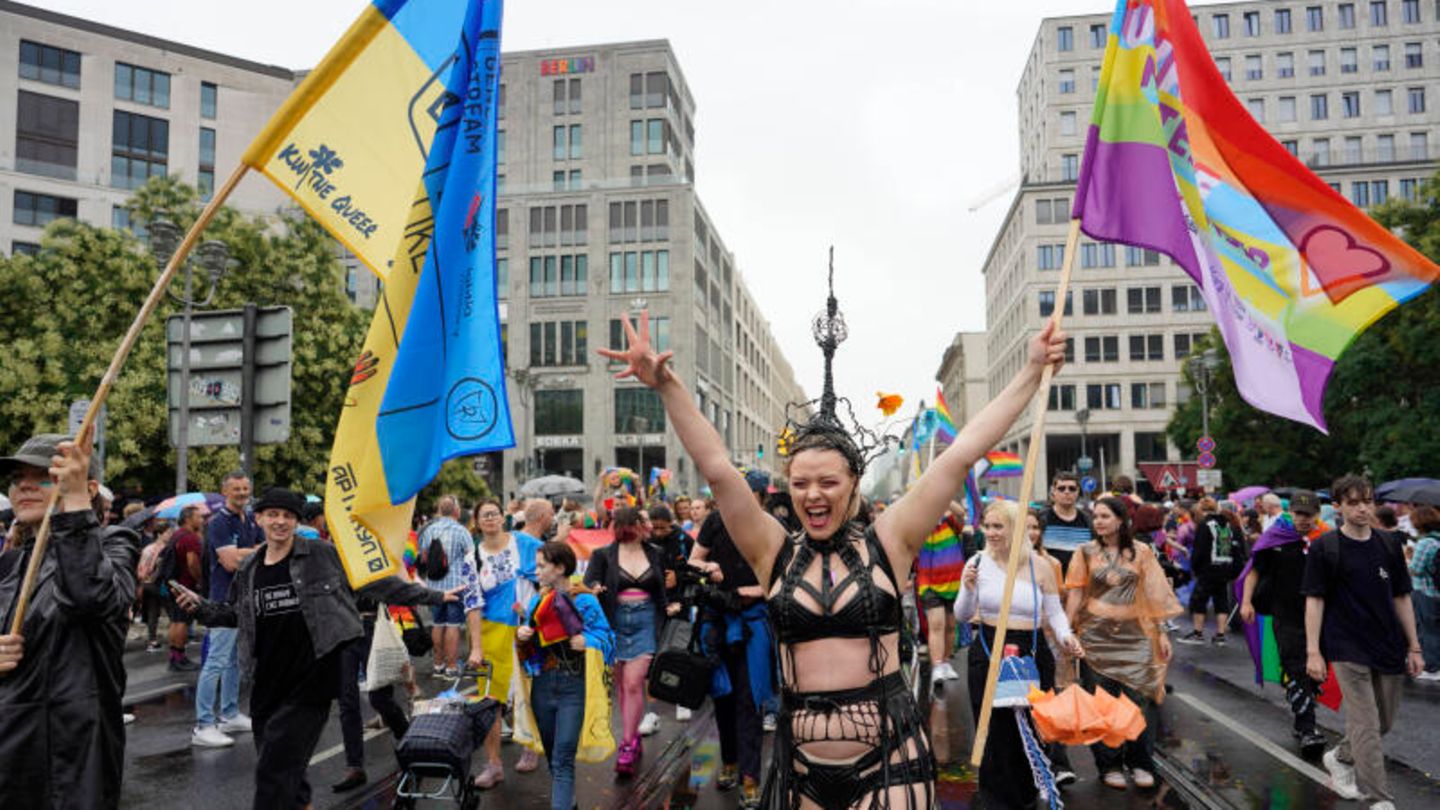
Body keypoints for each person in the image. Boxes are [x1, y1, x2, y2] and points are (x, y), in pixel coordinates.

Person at [599, 305, 1068, 808]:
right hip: (800, 770)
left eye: (828, 482)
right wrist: (667, 385)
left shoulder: (891, 541)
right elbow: (717, 468)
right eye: (800, 483)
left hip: (891, 763)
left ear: (854, 484)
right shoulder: (772, 550)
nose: (813, 494)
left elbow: (960, 454)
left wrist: (1031, 371)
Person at [175, 487, 462, 809]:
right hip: (267, 683)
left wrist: (436, 596)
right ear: (259, 519)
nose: (280, 521)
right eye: (273, 515)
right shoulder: (250, 567)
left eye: (288, 516)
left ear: (297, 522)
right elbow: (235, 614)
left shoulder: (321, 555)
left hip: (311, 681)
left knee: (273, 772)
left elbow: (374, 583)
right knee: (287, 772)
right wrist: (200, 608)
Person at [0, 432, 137, 808]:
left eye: (44, 477)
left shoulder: (114, 545)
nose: (24, 486)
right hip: (11, 760)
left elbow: (91, 598)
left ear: (88, 488)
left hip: (72, 763)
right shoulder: (9, 565)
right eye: (17, 478)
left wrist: (74, 503)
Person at [1304, 475, 1424, 809]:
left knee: (1383, 722)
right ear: (1337, 507)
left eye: (1367, 501)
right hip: (1346, 645)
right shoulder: (1325, 547)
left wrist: (1414, 646)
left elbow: (1402, 596)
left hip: (1387, 643)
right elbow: (1314, 600)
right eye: (1353, 502)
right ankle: (1379, 799)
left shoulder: (1389, 543)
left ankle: (1341, 757)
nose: (1362, 509)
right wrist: (1313, 651)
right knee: (1366, 724)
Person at [956, 500, 1083, 808]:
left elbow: (1055, 613)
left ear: (1014, 529)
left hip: (1031, 651)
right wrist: (968, 589)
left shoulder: (1041, 565)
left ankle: (1025, 797)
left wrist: (1067, 637)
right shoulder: (976, 562)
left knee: (1029, 727)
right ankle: (994, 800)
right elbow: (962, 614)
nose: (990, 532)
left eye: (998, 526)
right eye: (987, 526)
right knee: (993, 729)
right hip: (988, 649)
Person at [1065, 496, 1181, 791]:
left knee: (1139, 702)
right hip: (1096, 639)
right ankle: (1110, 765)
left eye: (1105, 516)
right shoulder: (1085, 552)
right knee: (1102, 702)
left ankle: (1140, 762)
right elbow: (1075, 593)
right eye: (1096, 516)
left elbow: (1154, 595)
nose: (1098, 521)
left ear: (1120, 520)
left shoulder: (1141, 551)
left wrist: (1162, 633)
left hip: (1137, 638)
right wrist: (1066, 631)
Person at [687, 472, 777, 806]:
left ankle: (750, 778)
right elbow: (693, 561)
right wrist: (709, 568)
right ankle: (729, 762)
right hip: (717, 621)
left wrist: (753, 591)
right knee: (722, 697)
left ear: (760, 496)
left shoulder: (772, 527)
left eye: (748, 492)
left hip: (754, 625)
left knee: (749, 702)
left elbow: (785, 576)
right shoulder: (715, 521)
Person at [515, 541, 615, 810]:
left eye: (541, 566)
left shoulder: (585, 600)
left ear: (560, 568)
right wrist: (522, 636)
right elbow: (528, 651)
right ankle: (568, 803)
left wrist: (588, 641)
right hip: (542, 687)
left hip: (575, 687)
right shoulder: (537, 602)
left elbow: (608, 639)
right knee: (553, 756)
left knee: (562, 759)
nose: (535, 571)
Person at [584, 506, 679, 775]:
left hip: (646, 622)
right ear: (631, 526)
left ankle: (627, 744)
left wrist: (671, 603)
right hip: (614, 622)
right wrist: (595, 588)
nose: (649, 526)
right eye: (643, 521)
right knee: (622, 687)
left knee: (633, 683)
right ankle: (633, 735)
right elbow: (589, 581)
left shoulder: (656, 553)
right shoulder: (603, 555)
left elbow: (668, 584)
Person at [1237, 490, 1328, 758]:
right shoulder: (1276, 538)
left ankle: (1302, 721)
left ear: (1317, 514)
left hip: (1320, 616)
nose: (1303, 519)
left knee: (1315, 672)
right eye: (1299, 513)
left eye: (1309, 514)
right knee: (1296, 666)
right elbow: (1255, 570)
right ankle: (1309, 729)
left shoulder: (1325, 540)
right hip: (1285, 614)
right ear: (1290, 512)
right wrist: (1246, 602)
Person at [469, 497, 543, 788]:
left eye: (494, 513)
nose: (490, 519)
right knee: (490, 701)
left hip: (528, 630)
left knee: (530, 690)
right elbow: (472, 605)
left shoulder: (526, 544)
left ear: (503, 517)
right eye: (484, 515)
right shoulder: (472, 557)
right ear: (477, 523)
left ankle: (530, 744)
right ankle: (493, 765)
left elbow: (554, 573)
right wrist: (475, 647)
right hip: (491, 633)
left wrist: (536, 607)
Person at [194, 470, 260, 748]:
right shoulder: (218, 522)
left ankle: (230, 713)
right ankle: (203, 725)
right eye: (236, 489)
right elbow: (230, 563)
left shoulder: (251, 518)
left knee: (235, 660)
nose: (242, 493)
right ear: (225, 492)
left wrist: (242, 552)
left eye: (245, 488)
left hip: (244, 599)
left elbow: (265, 549)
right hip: (223, 601)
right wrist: (253, 550)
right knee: (216, 662)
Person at [417, 494, 473, 677]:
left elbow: (423, 558)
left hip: (434, 586)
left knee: (437, 623)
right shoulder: (461, 531)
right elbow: (471, 558)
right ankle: (451, 667)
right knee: (453, 625)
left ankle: (438, 664)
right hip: (456, 585)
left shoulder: (429, 530)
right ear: (456, 511)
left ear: (440, 510)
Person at [917, 500, 969, 683]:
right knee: (937, 625)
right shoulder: (920, 526)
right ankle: (937, 665)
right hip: (929, 583)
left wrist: (942, 494)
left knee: (951, 626)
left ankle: (946, 662)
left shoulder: (950, 522)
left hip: (953, 583)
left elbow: (960, 513)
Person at [1180, 497, 1242, 646]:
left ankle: (1198, 634)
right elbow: (1235, 549)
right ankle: (1220, 635)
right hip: (1225, 569)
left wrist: (1195, 567)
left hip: (1207, 570)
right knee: (1221, 601)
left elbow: (1199, 549)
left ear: (1201, 510)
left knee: (1200, 601)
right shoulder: (1228, 524)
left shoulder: (1205, 525)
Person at [166, 505, 205, 671]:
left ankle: (174, 657)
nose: (202, 520)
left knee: (175, 621)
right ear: (189, 519)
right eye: (199, 517)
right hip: (186, 586)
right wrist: (200, 580)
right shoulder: (190, 538)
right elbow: (192, 563)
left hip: (172, 583)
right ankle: (180, 658)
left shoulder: (176, 535)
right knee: (183, 621)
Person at [1407, 506, 1440, 681]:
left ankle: (1432, 668)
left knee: (1428, 631)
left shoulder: (1425, 543)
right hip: (1437, 590)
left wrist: (1408, 560)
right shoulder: (1437, 539)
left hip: (1425, 591)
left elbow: (1416, 569)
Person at [1040, 471, 1090, 571]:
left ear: (1078, 491)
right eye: (1061, 488)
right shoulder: (1041, 518)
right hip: (1049, 577)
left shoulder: (1088, 520)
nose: (1067, 492)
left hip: (1080, 578)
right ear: (1053, 491)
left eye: (1072, 488)